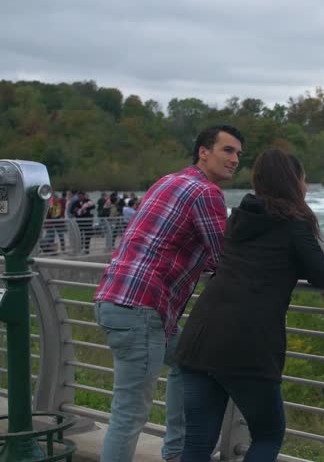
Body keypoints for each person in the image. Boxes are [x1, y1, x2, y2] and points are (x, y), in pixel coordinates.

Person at [93, 125, 244, 462]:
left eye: (238, 154)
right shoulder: (206, 193)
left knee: (188, 360)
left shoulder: (168, 181)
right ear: (203, 151)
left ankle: (177, 451)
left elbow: (179, 244)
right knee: (129, 415)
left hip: (117, 298)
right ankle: (177, 450)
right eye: (227, 150)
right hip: (142, 308)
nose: (235, 160)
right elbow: (225, 255)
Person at [176, 149, 324, 461]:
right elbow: (322, 273)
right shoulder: (294, 225)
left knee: (198, 443)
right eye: (304, 179)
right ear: (293, 183)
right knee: (267, 436)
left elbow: (269, 259)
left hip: (200, 338)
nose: (306, 186)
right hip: (248, 347)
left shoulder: (240, 218)